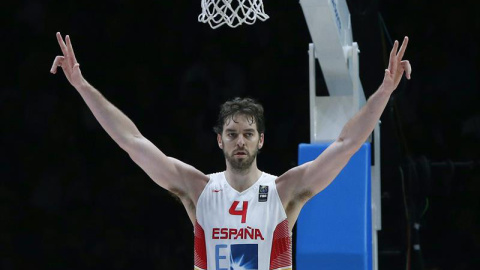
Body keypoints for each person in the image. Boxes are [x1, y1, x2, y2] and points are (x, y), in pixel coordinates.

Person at [50, 32, 411, 270]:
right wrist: (81, 85)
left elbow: (348, 145)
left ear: (261, 140)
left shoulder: (285, 190)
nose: (241, 140)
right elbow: (132, 142)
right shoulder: (199, 189)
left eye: (248, 134)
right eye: (233, 133)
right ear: (219, 140)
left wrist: (384, 90)